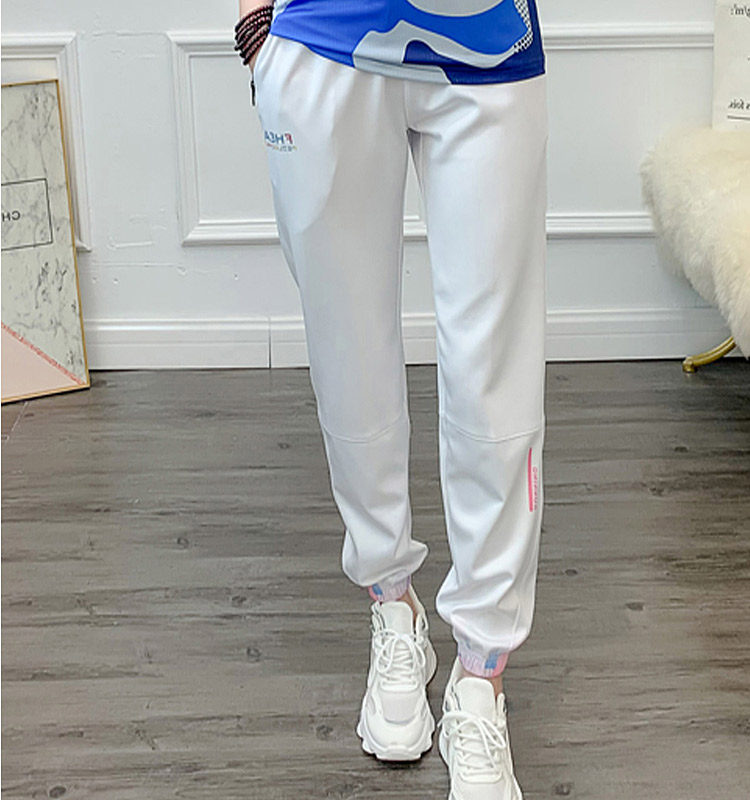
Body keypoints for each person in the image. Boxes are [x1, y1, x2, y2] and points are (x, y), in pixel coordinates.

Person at [235, 2, 548, 796]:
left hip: (487, 37)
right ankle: (392, 604)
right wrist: (255, 26)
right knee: (348, 357)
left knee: (492, 372)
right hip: (320, 37)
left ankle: (480, 676)